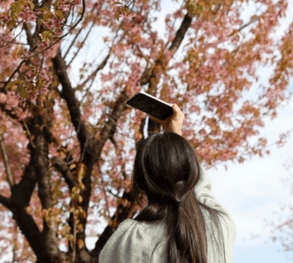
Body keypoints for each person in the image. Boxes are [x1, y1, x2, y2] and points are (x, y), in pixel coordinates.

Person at [99, 104, 236, 263]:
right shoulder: (219, 225)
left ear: (142, 181)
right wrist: (175, 137)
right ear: (191, 172)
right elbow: (201, 190)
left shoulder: (131, 237)